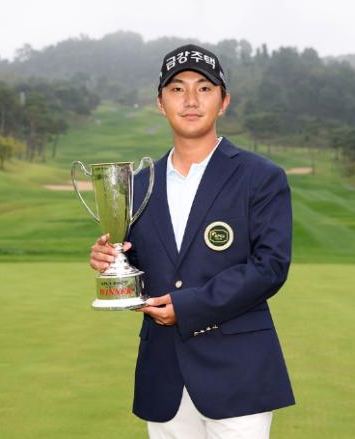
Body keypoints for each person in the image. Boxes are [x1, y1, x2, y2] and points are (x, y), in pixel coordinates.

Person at [89, 44, 294, 439]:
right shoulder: (137, 185)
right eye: (177, 89)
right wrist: (111, 262)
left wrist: (187, 307)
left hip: (239, 375)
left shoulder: (261, 177)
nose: (191, 100)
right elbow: (139, 265)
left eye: (204, 88)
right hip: (163, 374)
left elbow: (270, 267)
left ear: (223, 101)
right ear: (160, 103)